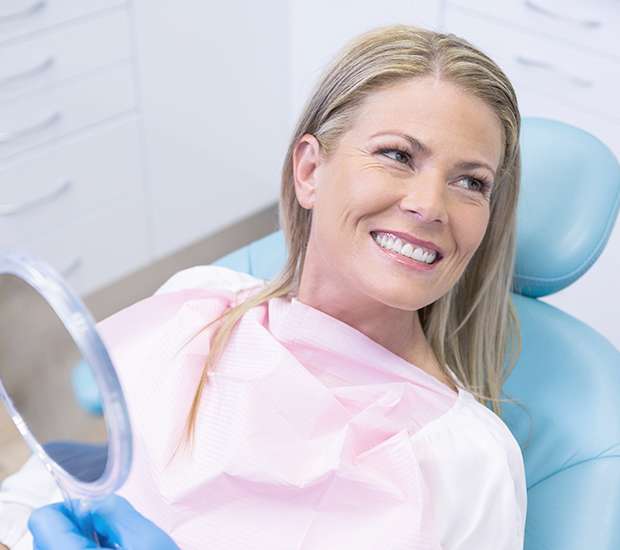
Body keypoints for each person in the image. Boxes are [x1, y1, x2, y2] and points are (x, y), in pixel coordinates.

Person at [2, 24, 526, 549]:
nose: (430, 205)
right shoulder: (198, 310)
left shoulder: (471, 462)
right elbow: (49, 487)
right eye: (397, 155)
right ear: (309, 170)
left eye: (470, 182)